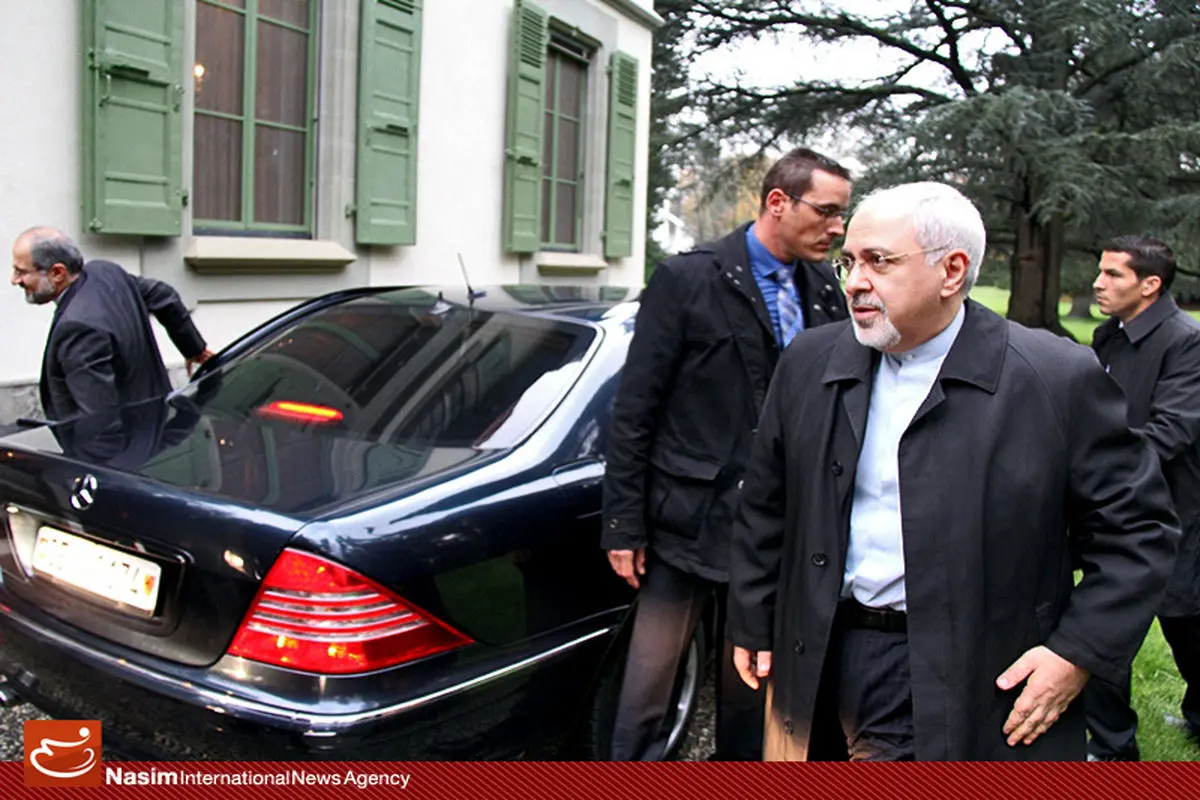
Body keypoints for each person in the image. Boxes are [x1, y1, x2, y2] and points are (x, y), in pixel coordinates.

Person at [727, 182, 1180, 761]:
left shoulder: (1054, 378)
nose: (855, 281)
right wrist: (754, 617)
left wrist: (1076, 653)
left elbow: (1138, 533)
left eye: (878, 261)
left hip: (968, 672)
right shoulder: (809, 361)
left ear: (952, 271)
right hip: (816, 653)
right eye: (848, 262)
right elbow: (766, 504)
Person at [601, 147, 853, 761]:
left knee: (749, 689)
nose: (837, 228)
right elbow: (635, 409)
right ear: (778, 202)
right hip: (686, 522)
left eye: (841, 214)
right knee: (647, 689)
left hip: (773, 532)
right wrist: (623, 523)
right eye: (826, 211)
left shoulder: (825, 289)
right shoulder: (689, 279)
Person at [1083, 235, 1200, 760]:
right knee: (1104, 622)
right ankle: (1112, 749)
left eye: (1113, 275)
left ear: (1150, 285)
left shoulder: (1187, 343)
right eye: (1100, 271)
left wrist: (1101, 472)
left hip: (1176, 512)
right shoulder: (1108, 336)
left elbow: (1171, 431)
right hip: (1113, 509)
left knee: (1185, 624)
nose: (1098, 283)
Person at [11, 226, 213, 421]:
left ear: (58, 273)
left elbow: (100, 422)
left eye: (21, 272)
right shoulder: (106, 272)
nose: (14, 280)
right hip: (156, 423)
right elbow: (164, 296)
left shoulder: (77, 328)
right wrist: (194, 350)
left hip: (128, 441)